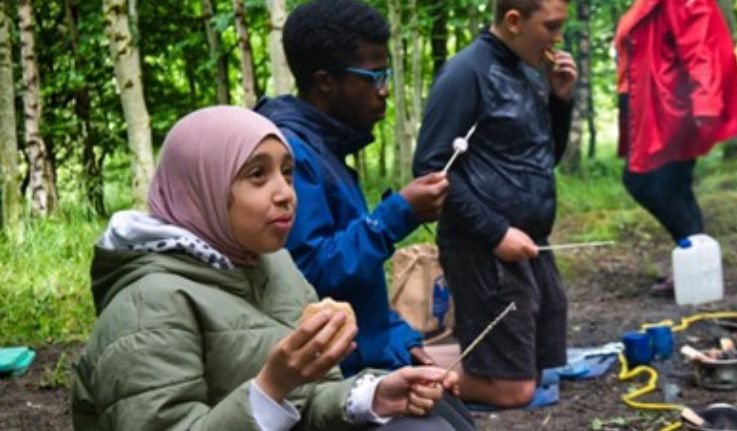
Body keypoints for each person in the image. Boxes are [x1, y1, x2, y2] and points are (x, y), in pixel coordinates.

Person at [71, 106, 464, 431]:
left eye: (287, 172)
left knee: (436, 418)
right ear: (202, 187)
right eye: (257, 174)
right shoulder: (147, 306)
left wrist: (371, 395)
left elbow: (310, 399)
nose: (285, 194)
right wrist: (271, 387)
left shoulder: (274, 266)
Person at [255, 0, 449, 377]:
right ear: (325, 82)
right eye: (374, 77)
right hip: (333, 379)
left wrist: (400, 340)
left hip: (363, 355)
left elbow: (356, 291)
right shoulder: (291, 155)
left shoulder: (324, 147)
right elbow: (308, 277)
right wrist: (396, 215)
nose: (385, 91)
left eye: (387, 75)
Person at [412, 0, 577, 408]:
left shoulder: (529, 72)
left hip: (528, 242)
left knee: (542, 364)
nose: (558, 39)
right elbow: (430, 167)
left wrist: (560, 102)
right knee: (515, 389)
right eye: (551, 27)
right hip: (481, 244)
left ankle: (451, 355)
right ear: (514, 20)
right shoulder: (466, 72)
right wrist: (495, 233)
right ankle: (402, 371)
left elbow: (543, 158)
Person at [614, 0, 737, 295]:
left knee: (645, 181)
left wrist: (705, 104)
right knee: (675, 186)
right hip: (645, 100)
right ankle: (697, 271)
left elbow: (699, 43)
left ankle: (698, 263)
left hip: (669, 104)